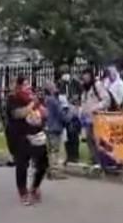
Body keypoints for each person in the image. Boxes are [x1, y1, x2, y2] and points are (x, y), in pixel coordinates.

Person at [6, 77, 49, 205]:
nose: (27, 86)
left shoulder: (32, 97)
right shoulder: (12, 99)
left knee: (43, 164)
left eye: (27, 84)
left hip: (36, 134)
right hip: (19, 136)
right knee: (22, 165)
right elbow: (19, 114)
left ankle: (35, 187)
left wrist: (42, 111)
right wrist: (32, 105)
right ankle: (23, 192)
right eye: (24, 84)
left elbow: (44, 112)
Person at [79, 67, 112, 168]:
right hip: (88, 119)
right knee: (89, 139)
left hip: (98, 119)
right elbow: (84, 102)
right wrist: (81, 111)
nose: (85, 78)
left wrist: (96, 107)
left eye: (87, 75)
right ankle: (95, 159)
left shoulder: (97, 86)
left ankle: (102, 161)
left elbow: (107, 100)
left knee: (99, 140)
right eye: (84, 75)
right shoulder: (85, 88)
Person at [43, 81, 68, 179]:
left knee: (50, 150)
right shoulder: (54, 100)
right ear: (50, 89)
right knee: (56, 150)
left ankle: (50, 169)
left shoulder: (46, 100)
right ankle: (55, 172)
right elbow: (61, 114)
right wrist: (69, 116)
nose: (56, 88)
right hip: (55, 127)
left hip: (48, 127)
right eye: (53, 87)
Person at [57, 66, 83, 164]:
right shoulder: (60, 83)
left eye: (65, 73)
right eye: (62, 73)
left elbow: (81, 94)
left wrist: (76, 100)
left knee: (74, 133)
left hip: (74, 109)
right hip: (65, 110)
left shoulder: (75, 82)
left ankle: (75, 155)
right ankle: (69, 155)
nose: (64, 75)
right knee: (66, 135)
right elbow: (59, 94)